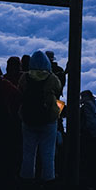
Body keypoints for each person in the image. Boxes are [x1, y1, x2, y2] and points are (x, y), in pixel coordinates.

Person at [18, 50, 62, 182]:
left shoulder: (24, 77)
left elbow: (20, 91)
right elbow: (58, 90)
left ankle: (27, 177)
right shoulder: (52, 78)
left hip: (28, 119)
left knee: (28, 152)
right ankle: (48, 178)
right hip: (49, 120)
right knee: (48, 153)